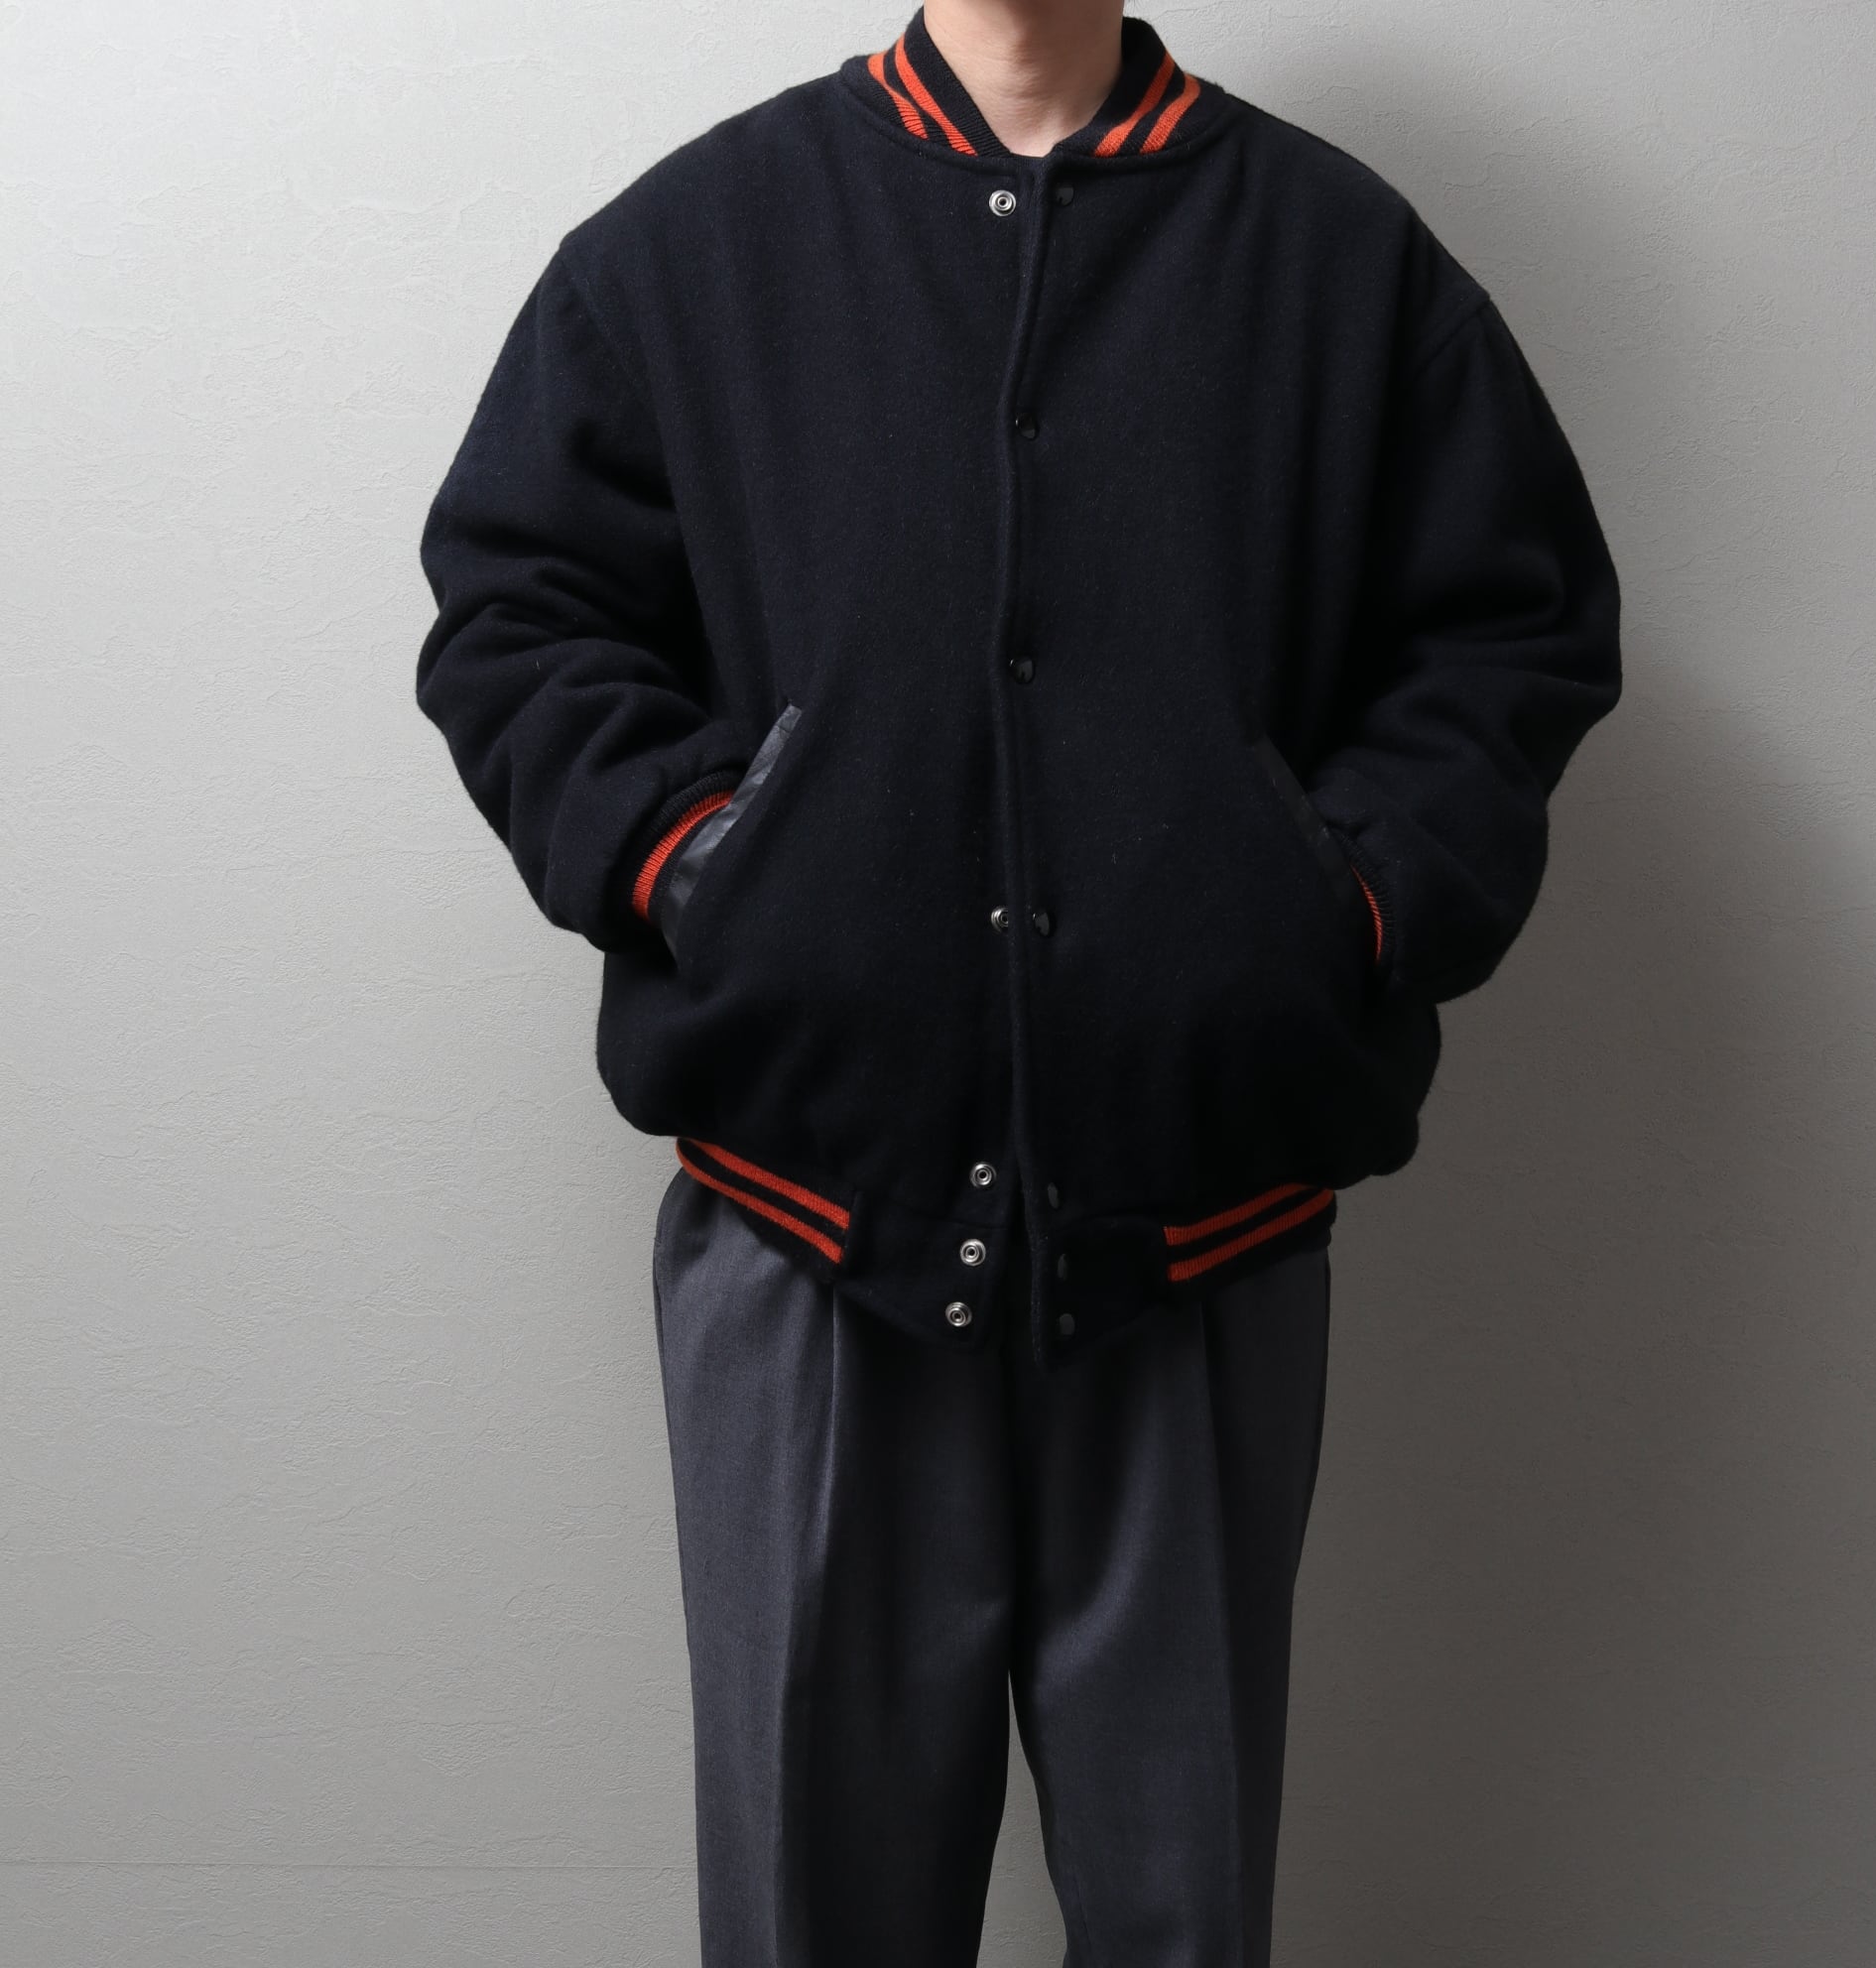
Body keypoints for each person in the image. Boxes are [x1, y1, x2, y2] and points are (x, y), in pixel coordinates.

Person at [413, 0, 1622, 1958]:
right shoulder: (696, 245)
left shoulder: (1340, 262)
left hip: (1200, 1237)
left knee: (1180, 1913)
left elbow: (1509, 635)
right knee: (816, 1917)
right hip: (806, 1234)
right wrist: (700, 858)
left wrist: (1342, 905)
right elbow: (515, 606)